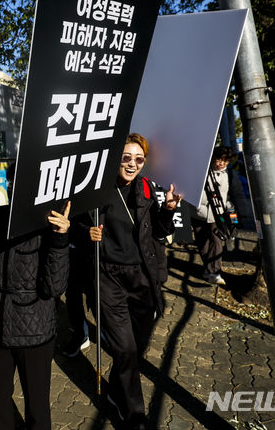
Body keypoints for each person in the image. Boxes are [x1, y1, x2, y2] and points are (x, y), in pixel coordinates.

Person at [0, 164, 71, 430]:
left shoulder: (50, 222)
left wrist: (60, 239)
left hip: (35, 330)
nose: (16, 188)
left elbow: (55, 288)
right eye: (12, 182)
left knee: (38, 406)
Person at [87, 133, 181, 429]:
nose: (132, 164)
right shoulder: (95, 190)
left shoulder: (147, 188)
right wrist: (85, 234)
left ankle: (117, 391)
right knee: (124, 349)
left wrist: (168, 210)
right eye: (126, 158)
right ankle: (135, 416)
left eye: (138, 159)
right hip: (107, 278)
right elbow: (73, 225)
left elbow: (157, 232)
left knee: (136, 348)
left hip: (141, 278)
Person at [192, 145, 248, 285]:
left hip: (218, 213)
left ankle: (215, 272)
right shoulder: (202, 171)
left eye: (225, 161)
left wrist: (242, 215)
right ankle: (209, 269)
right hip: (197, 212)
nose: (220, 163)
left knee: (216, 240)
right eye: (218, 159)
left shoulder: (229, 174)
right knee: (202, 242)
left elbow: (238, 194)